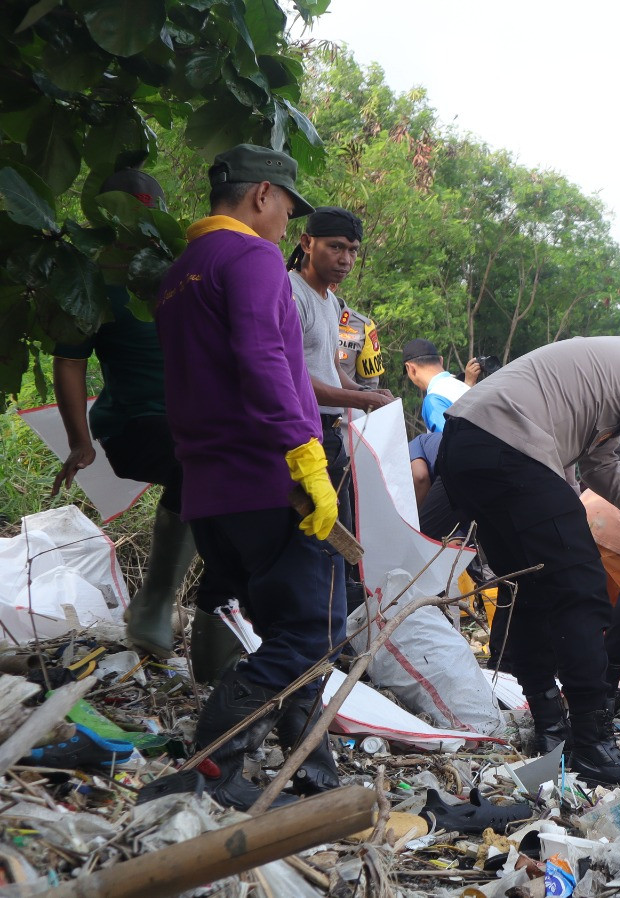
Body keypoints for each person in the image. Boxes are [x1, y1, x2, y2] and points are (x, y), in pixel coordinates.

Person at [435, 311, 620, 787]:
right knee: (581, 588)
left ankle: (550, 726)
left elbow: (601, 468)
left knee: (533, 587)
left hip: (464, 444)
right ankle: (593, 744)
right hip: (508, 446)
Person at [154, 144, 346, 807]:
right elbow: (265, 359)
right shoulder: (251, 257)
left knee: (288, 628)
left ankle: (309, 771)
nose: (288, 228)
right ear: (262, 195)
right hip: (267, 479)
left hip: (209, 492)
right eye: (289, 211)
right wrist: (306, 456)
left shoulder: (181, 272)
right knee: (316, 633)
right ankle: (215, 767)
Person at [49, 170, 240, 681]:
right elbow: (68, 361)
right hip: (135, 424)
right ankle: (154, 604)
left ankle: (218, 653)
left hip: (198, 423)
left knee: (236, 492)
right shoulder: (89, 276)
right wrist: (79, 442)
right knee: (197, 464)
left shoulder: (181, 267)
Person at [289, 206, 394, 609]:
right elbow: (292, 382)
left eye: (352, 250)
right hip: (301, 437)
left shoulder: (332, 304)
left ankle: (335, 635)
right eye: (336, 247)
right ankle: (314, 636)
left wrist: (374, 397)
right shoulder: (289, 293)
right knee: (316, 542)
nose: (346, 259)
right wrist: (362, 398)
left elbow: (333, 372)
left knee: (342, 541)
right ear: (306, 243)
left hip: (332, 438)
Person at [403, 339, 469, 432]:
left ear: (410, 368)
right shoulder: (463, 386)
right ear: (441, 361)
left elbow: (447, 443)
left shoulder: (434, 399)